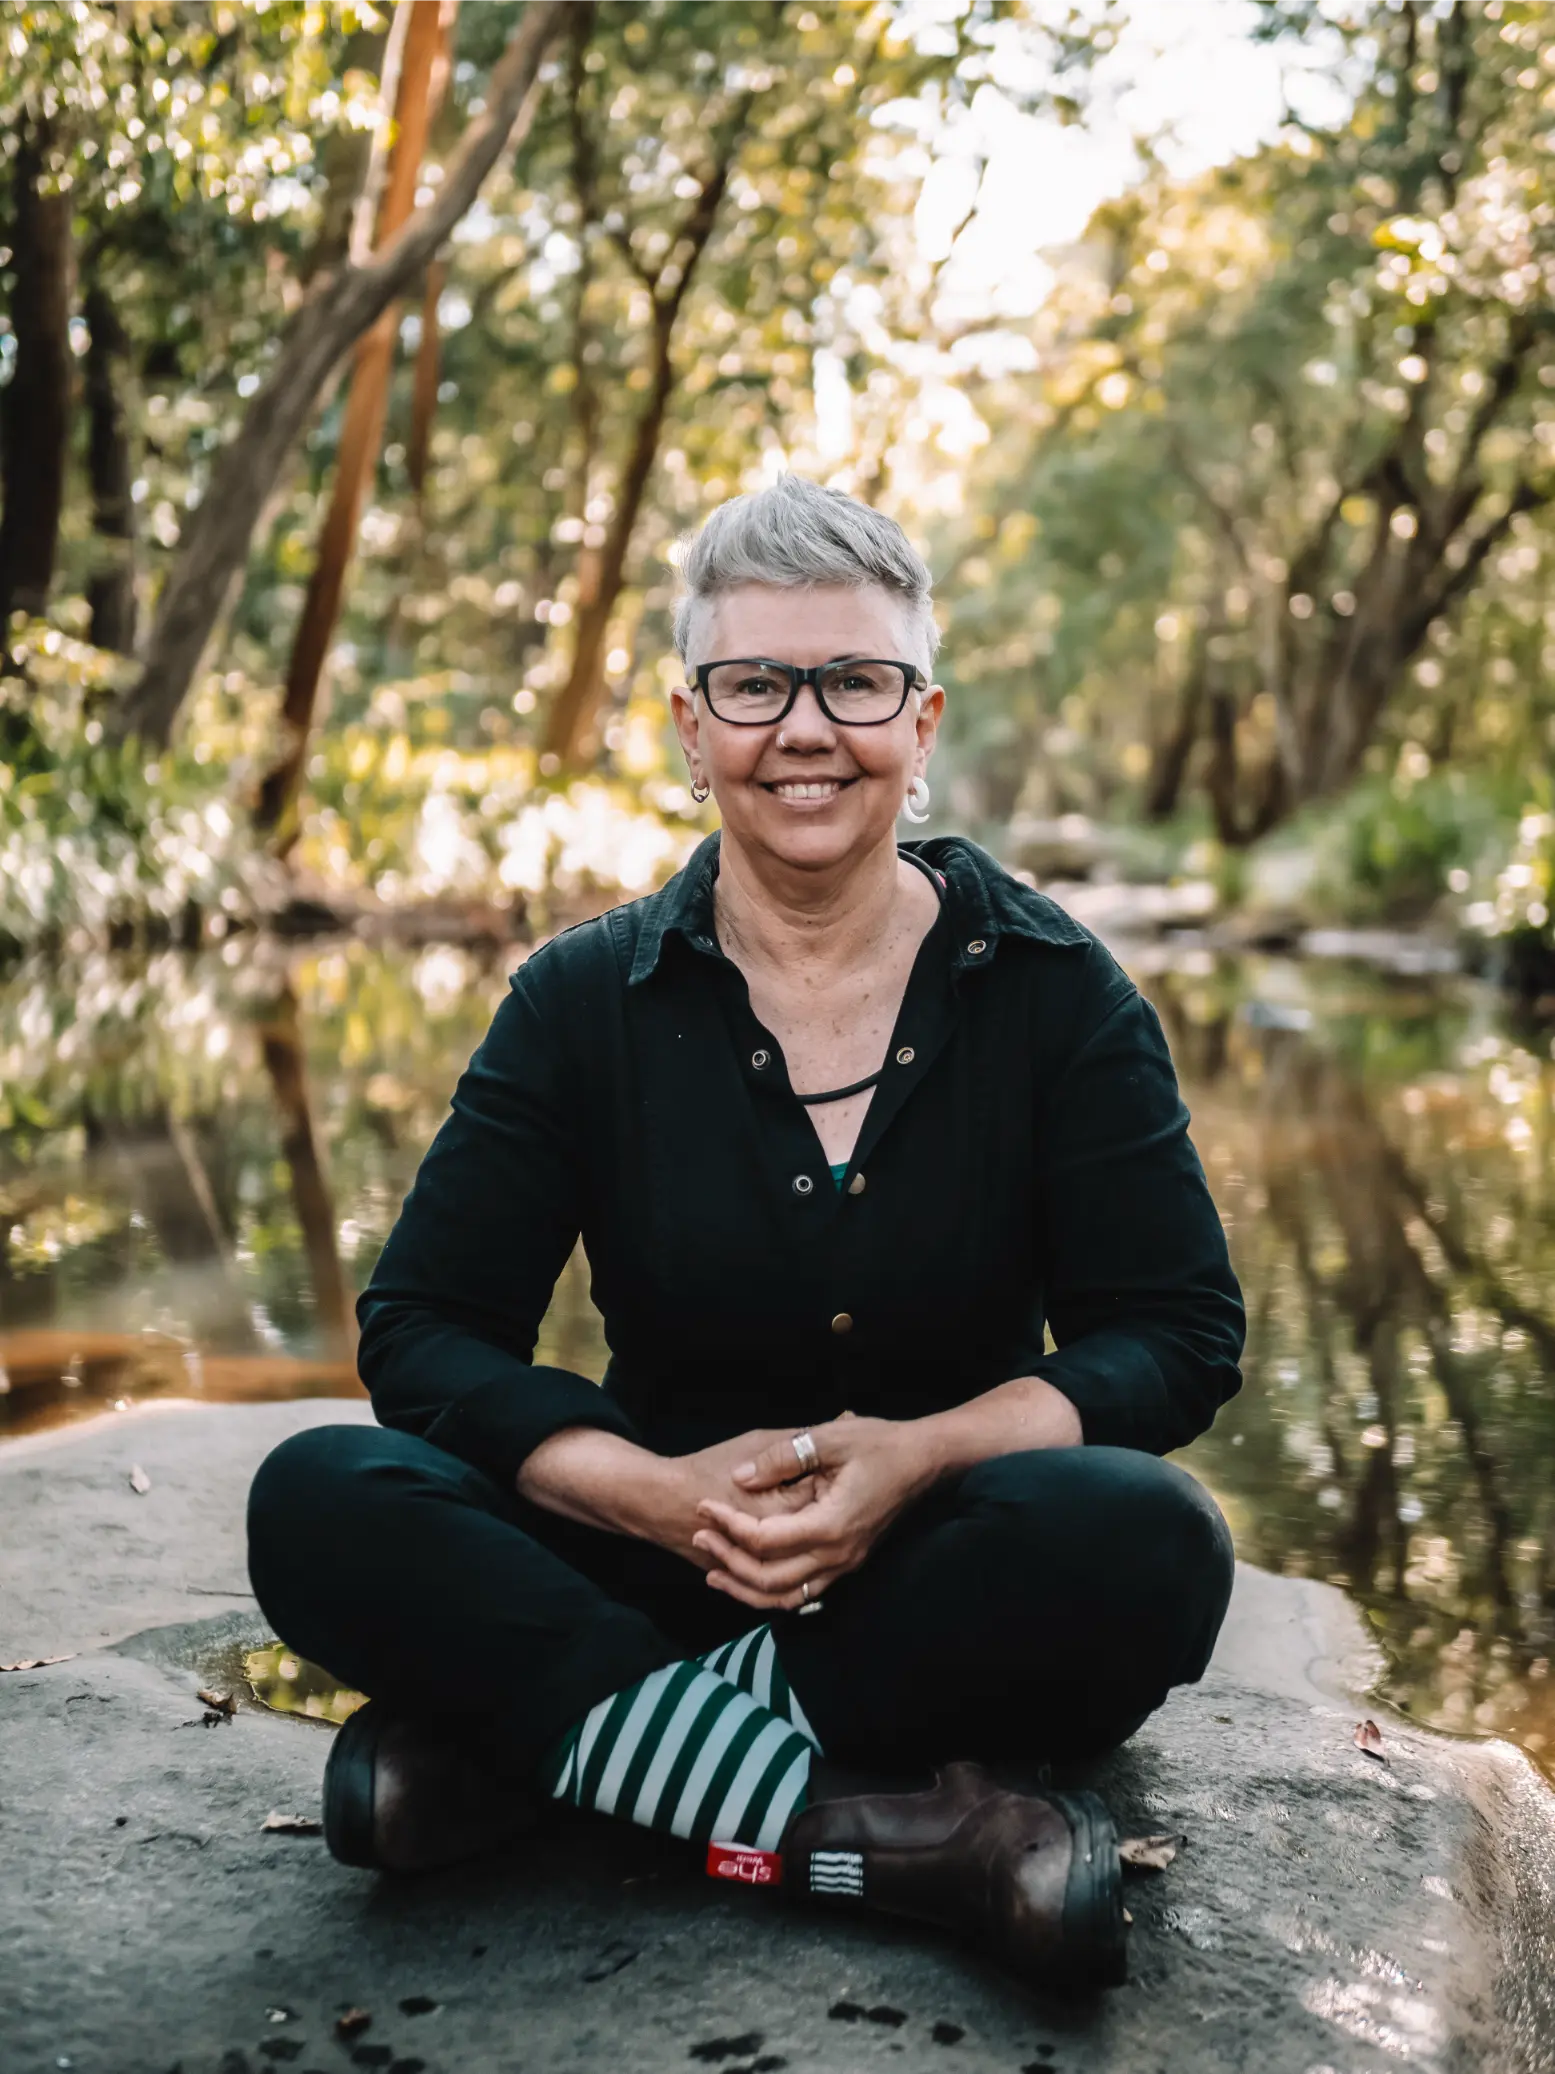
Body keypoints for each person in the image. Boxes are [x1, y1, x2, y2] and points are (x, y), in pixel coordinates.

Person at [246, 475, 1243, 1995]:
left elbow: (1174, 1331)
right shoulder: (580, 1000)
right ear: (688, 724)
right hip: (640, 1556)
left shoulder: (1057, 992)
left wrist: (922, 1455)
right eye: (754, 681)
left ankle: (549, 1759)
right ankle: (882, 1832)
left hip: (935, 1571)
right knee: (317, 1494)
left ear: (919, 724)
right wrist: (647, 1494)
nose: (803, 726)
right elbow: (425, 1328)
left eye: (854, 680)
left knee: (1147, 1540)